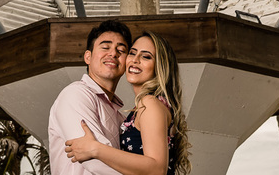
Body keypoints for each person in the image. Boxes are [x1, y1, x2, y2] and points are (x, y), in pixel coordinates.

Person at [65, 31, 191, 175]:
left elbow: (157, 169)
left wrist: (95, 149)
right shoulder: (145, 105)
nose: (135, 60)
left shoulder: (150, 103)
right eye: (132, 53)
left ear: (160, 66)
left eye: (146, 56)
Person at [49, 19, 133, 175]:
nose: (113, 53)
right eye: (105, 47)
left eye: (121, 50)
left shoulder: (120, 117)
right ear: (88, 57)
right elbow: (96, 162)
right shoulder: (75, 95)